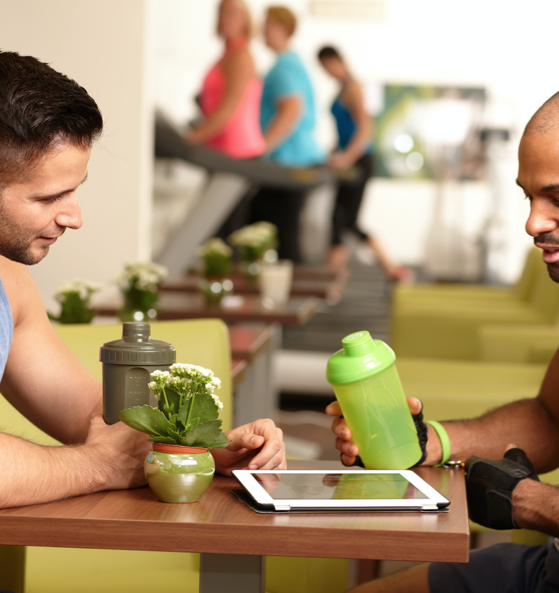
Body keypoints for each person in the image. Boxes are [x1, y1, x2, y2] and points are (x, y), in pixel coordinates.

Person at [328, 75, 559, 592]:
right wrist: (429, 441)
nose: (533, 224)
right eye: (528, 198)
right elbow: (551, 420)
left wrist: (523, 499)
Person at [0, 50, 286, 511]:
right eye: (50, 196)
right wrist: (100, 466)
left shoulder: (7, 279)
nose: (74, 217)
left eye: (75, 189)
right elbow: (103, 452)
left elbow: (96, 416)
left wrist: (194, 447)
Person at [317, 46, 409, 282]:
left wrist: (346, 158)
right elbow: (344, 132)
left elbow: (365, 128)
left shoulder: (354, 86)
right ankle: (336, 277)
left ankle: (391, 269)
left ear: (337, 60)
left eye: (328, 66)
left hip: (359, 161)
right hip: (348, 160)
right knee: (340, 219)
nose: (327, 71)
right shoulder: (341, 89)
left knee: (345, 220)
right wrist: (332, 153)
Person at [247, 5, 325, 263]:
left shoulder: (283, 67)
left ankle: (291, 294)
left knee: (272, 229)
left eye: (266, 24)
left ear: (282, 28)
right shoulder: (290, 62)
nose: (261, 30)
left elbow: (291, 109)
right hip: (294, 160)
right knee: (279, 230)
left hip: (289, 161)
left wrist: (262, 147)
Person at [185, 0, 265, 159]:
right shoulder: (227, 54)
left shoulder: (241, 57)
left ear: (246, 20)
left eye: (233, 13)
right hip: (218, 149)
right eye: (222, 12)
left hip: (238, 152)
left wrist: (193, 137)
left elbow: (228, 108)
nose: (225, 18)